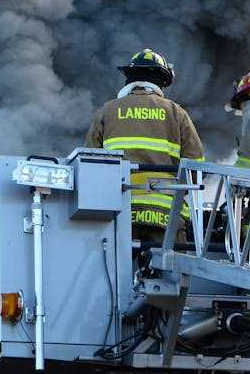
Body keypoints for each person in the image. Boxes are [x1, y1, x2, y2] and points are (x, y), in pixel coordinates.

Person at [85, 48, 204, 243]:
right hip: (166, 212)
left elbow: (89, 163)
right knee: (166, 271)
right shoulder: (176, 113)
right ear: (161, 82)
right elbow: (197, 166)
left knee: (113, 271)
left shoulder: (107, 111)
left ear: (129, 79)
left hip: (118, 210)